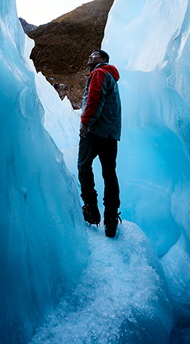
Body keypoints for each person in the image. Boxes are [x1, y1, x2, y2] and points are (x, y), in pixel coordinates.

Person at [78, 49, 123, 237]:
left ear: (103, 59)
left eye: (95, 54)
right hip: (111, 134)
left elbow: (95, 99)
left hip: (95, 131)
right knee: (109, 174)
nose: (90, 56)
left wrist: (86, 123)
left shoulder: (99, 72)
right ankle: (111, 219)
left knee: (83, 167)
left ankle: (91, 210)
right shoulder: (110, 77)